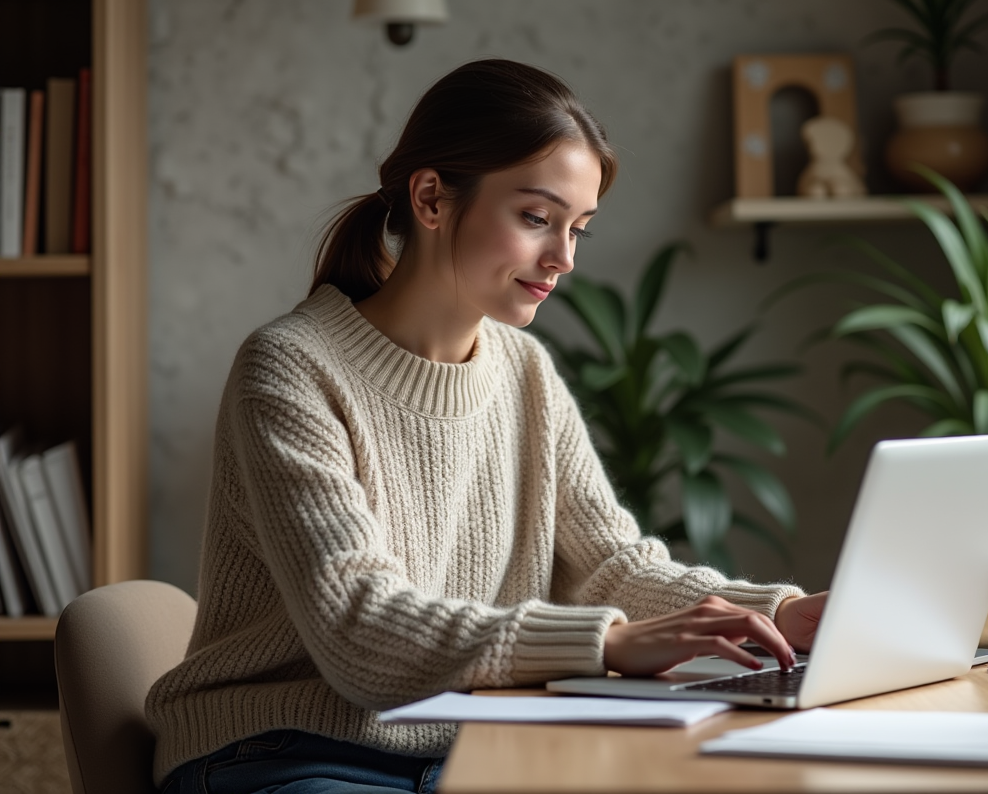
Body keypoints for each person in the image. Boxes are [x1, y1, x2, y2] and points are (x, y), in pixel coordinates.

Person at [146, 58, 827, 794]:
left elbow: (610, 563)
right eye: (537, 218)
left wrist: (782, 614)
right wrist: (610, 643)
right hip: (285, 749)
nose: (562, 259)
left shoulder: (525, 371)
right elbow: (357, 629)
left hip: (475, 743)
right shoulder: (288, 369)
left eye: (579, 230)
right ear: (432, 198)